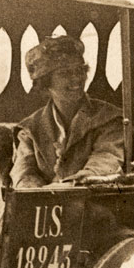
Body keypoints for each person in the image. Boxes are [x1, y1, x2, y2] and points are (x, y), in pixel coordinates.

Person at [11, 35, 124, 188]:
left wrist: (66, 187)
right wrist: (36, 193)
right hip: (43, 207)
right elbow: (24, 172)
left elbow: (106, 161)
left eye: (79, 70)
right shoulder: (30, 129)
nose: (76, 79)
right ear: (46, 82)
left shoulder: (108, 118)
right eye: (65, 73)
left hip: (94, 204)